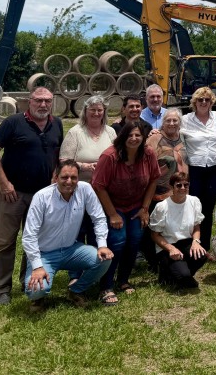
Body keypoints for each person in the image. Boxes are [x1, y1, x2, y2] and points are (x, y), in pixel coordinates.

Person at [0, 86, 63, 305]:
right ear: (30, 101)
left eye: (47, 101)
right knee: (5, 242)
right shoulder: (13, 122)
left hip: (41, 196)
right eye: (39, 100)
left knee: (34, 241)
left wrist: (55, 174)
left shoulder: (56, 124)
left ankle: (26, 279)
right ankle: (2, 288)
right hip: (12, 193)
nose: (43, 105)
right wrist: (3, 183)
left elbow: (57, 153)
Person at [23, 159, 113, 309]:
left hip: (71, 250)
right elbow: (29, 235)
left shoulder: (85, 189)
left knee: (104, 259)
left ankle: (76, 290)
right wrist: (37, 266)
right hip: (44, 253)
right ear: (56, 177)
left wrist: (102, 245)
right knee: (36, 290)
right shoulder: (41, 197)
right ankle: (39, 298)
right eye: (64, 177)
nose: (69, 182)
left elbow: (99, 218)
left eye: (74, 178)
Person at [91, 120, 159, 304]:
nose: (134, 138)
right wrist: (112, 214)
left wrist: (145, 209)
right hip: (113, 205)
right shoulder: (110, 156)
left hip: (136, 205)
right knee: (117, 240)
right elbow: (98, 186)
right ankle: (105, 285)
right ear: (123, 137)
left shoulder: (148, 154)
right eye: (130, 135)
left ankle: (123, 280)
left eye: (138, 135)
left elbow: (153, 180)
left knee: (135, 239)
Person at [179, 87, 216, 250]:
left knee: (208, 206)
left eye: (207, 100)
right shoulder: (185, 119)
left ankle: (205, 244)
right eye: (200, 99)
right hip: (195, 169)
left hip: (215, 168)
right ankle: (190, 242)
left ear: (211, 102)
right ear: (195, 102)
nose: (204, 102)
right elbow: (170, 132)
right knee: (193, 205)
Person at [139, 107, 183, 268]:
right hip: (155, 192)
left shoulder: (183, 137)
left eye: (175, 120)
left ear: (180, 123)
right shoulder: (154, 138)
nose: (171, 123)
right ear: (162, 123)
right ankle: (152, 260)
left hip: (177, 191)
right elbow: (144, 164)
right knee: (152, 226)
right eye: (168, 120)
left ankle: (170, 255)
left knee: (170, 226)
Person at [148, 172, 208, 289]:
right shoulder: (162, 207)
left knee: (201, 255)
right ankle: (170, 273)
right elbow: (155, 235)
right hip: (167, 245)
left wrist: (196, 242)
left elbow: (196, 227)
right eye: (179, 185)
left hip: (186, 242)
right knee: (184, 277)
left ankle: (181, 274)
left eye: (186, 185)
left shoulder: (194, 201)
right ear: (172, 187)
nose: (183, 188)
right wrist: (171, 248)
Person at [59, 95, 117, 183]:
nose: (96, 113)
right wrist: (83, 166)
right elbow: (64, 161)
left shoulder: (110, 132)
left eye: (100, 110)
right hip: (81, 184)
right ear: (85, 111)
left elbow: (118, 156)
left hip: (106, 184)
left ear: (104, 112)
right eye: (93, 110)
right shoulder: (75, 132)